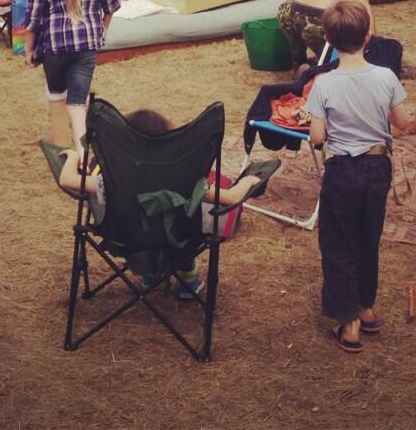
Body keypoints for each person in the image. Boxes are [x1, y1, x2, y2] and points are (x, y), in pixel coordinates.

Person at [58, 107, 265, 299]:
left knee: (144, 229)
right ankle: (188, 283)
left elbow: (66, 180)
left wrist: (73, 156)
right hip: (177, 244)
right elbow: (232, 198)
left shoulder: (111, 180)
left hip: (128, 241)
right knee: (182, 229)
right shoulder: (183, 180)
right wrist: (248, 181)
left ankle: (150, 276)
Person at [305, 0, 412, 353]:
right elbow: (402, 122)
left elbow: (317, 137)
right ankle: (366, 308)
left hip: (343, 170)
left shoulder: (324, 84)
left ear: (327, 39)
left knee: (338, 243)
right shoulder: (386, 76)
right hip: (377, 168)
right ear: (368, 36)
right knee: (368, 238)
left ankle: (348, 322)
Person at [22, 0, 120, 154]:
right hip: (86, 45)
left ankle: (63, 151)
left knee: (57, 97)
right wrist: (102, 30)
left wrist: (28, 50)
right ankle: (82, 155)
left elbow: (33, 17)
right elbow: (112, 2)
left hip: (55, 48)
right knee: (77, 103)